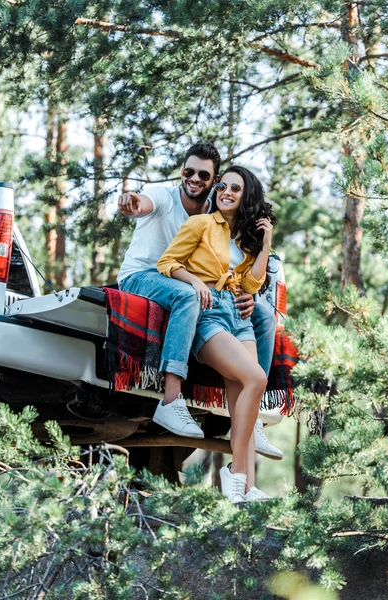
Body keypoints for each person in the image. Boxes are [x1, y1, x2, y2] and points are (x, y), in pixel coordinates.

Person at [117, 142, 280, 458]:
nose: (193, 178)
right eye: (188, 171)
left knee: (263, 316)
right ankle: (171, 400)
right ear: (181, 171)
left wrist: (247, 294)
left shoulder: (214, 213)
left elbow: (231, 265)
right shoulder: (164, 195)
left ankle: (250, 417)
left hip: (191, 285)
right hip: (144, 276)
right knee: (188, 294)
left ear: (214, 180)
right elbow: (143, 203)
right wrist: (132, 202)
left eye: (203, 175)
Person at [157, 165, 275, 502]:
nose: (225, 192)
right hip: (210, 312)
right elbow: (167, 263)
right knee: (256, 379)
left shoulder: (244, 239)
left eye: (235, 189)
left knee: (243, 404)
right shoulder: (201, 224)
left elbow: (252, 283)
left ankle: (247, 488)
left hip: (239, 314)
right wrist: (195, 282)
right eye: (222, 186)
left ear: (246, 196)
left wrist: (265, 244)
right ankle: (234, 473)